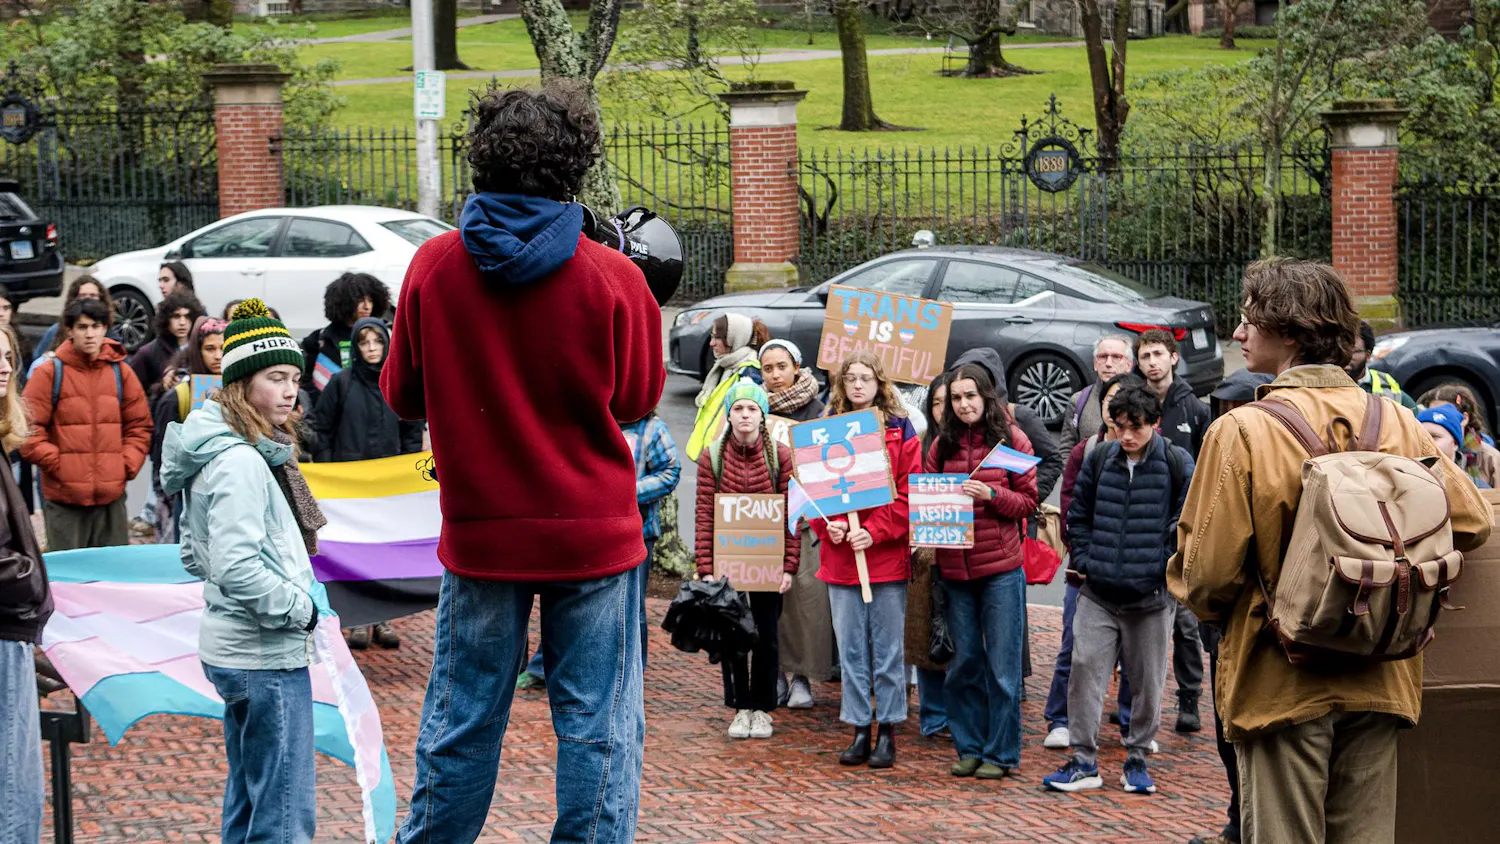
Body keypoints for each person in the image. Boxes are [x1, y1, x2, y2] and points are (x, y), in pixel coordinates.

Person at [381, 83, 664, 843]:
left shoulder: (433, 268)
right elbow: (637, 397)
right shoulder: (618, 278)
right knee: (597, 725)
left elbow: (403, 394)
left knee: (462, 720)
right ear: (575, 167)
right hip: (594, 534)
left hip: (482, 536)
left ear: (480, 161)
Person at [1169, 259, 1490, 844]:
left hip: (1279, 676)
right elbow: (1470, 521)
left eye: (1248, 321)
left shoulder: (1242, 430)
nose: (1238, 335)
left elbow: (1207, 578)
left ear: (1289, 333)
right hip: (1383, 670)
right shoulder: (1397, 420)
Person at [160, 299, 325, 844]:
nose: (289, 390)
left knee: (252, 798)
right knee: (282, 812)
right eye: (275, 376)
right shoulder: (240, 461)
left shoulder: (224, 451)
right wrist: (300, 609)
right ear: (240, 383)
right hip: (263, 654)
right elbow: (234, 565)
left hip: (240, 650)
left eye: (294, 378)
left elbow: (194, 552)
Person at [1045, 384, 1194, 796]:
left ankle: (1137, 757)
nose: (1127, 436)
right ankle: (1082, 760)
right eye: (1120, 427)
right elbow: (1078, 514)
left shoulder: (1178, 463)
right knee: (1084, 673)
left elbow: (1186, 523)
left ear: (1155, 425)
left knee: (1147, 683)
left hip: (1150, 598)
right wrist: (1089, 560)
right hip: (1099, 592)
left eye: (1137, 428)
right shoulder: (1099, 458)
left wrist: (1159, 567)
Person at [517, 407, 681, 691]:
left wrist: (625, 491)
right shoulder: (590, 423)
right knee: (564, 600)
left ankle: (630, 673)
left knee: (631, 607)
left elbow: (670, 472)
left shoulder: (653, 430)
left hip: (637, 533)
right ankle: (543, 668)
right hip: (585, 532)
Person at [810, 350, 920, 769]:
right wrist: (830, 528)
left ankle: (888, 728)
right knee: (852, 650)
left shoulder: (900, 430)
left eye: (865, 378)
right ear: (841, 384)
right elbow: (816, 493)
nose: (857, 385)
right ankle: (858, 726)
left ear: (879, 383)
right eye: (850, 378)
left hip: (885, 558)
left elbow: (909, 495)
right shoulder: (825, 430)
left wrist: (873, 531)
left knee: (888, 650)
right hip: (841, 561)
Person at [927, 363, 1038, 779]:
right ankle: (970, 746)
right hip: (955, 572)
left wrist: (992, 494)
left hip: (1001, 571)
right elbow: (928, 499)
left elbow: (1029, 503)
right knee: (964, 664)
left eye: (970, 395)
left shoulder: (1011, 439)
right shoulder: (942, 446)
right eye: (956, 398)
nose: (963, 404)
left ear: (986, 397)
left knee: (1003, 668)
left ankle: (1001, 753)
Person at [1186, 367, 1271, 844]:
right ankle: (1238, 823)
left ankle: (1248, 827)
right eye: (1222, 408)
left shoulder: (1259, 453)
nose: (1227, 416)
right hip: (1222, 628)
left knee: (1249, 738)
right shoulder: (1213, 455)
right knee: (1225, 736)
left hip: (1252, 622)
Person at [306, 317, 425, 650]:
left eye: (377, 342)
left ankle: (382, 620)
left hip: (388, 491)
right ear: (356, 347)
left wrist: (406, 468)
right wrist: (330, 469)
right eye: (364, 343)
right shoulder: (341, 383)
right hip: (349, 491)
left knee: (385, 555)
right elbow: (321, 428)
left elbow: (412, 429)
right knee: (353, 554)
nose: (372, 349)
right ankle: (358, 622)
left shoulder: (396, 383)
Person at [1044, 371, 1144, 752]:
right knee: (1075, 646)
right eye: (1109, 402)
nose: (1116, 413)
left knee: (1136, 657)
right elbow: (1072, 504)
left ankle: (1130, 723)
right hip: (1085, 572)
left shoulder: (1162, 456)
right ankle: (1060, 717)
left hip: (1136, 577)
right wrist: (1082, 553)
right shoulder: (1086, 451)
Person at [694, 378, 798, 739]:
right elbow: (705, 512)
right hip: (729, 563)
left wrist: (789, 566)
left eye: (752, 408)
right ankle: (740, 707)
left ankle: (763, 709)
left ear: (763, 414)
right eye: (737, 408)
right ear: (728, 414)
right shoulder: (713, 456)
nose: (744, 415)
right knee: (734, 635)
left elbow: (791, 517)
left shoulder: (780, 456)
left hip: (768, 563)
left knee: (767, 636)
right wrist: (705, 567)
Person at [21, 298, 152, 551]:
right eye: (82, 327)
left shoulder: (121, 373)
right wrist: (59, 464)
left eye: (96, 326)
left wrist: (124, 465)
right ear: (69, 331)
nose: (90, 334)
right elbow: (27, 430)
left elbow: (140, 426)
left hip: (110, 501)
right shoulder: (49, 373)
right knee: (68, 582)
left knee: (112, 578)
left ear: (105, 328)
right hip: (65, 502)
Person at [1133, 328, 1212, 733]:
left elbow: (1208, 467)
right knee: (1135, 620)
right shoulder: (1135, 402)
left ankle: (1189, 699)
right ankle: (1134, 700)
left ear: (1174, 358)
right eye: (1145, 355)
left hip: (1181, 531)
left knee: (1184, 622)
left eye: (1158, 354)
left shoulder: (1195, 409)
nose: (1152, 362)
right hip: (1140, 526)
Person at [760, 338, 830, 709]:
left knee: (805, 602)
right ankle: (773, 673)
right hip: (764, 520)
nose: (775, 375)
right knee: (769, 602)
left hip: (805, 521)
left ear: (797, 368)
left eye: (782, 367)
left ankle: (802, 676)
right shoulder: (750, 410)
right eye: (768, 369)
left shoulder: (819, 413)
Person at [0, 324, 49, 844]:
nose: (6, 365)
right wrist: (33, 583)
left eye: (9, 354)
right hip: (4, 627)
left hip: (10, 627)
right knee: (14, 785)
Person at [148, 317, 227, 544]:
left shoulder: (244, 392)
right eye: (209, 349)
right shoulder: (178, 396)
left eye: (224, 348)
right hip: (185, 498)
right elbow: (161, 457)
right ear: (196, 350)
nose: (218, 356)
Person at [908, 370, 953, 739]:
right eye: (935, 401)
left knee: (962, 636)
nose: (941, 409)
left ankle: (960, 710)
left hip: (964, 554)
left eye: (947, 401)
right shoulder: (918, 443)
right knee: (925, 636)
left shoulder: (974, 442)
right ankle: (933, 714)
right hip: (924, 554)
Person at [686, 313, 769, 461]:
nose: (711, 343)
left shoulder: (748, 372)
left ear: (733, 339)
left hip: (728, 460)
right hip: (714, 456)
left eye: (717, 337)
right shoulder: (727, 365)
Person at [302, 272, 391, 401]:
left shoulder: (383, 335)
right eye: (360, 300)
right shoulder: (319, 339)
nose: (367, 306)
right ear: (345, 302)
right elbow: (305, 380)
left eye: (370, 300)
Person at [1058, 335, 1136, 459]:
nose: (1108, 364)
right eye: (1103, 357)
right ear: (1095, 364)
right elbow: (1066, 450)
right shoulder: (1079, 400)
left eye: (1116, 357)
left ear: (1129, 365)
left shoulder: (1142, 400)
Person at [30, 277, 119, 377]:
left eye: (93, 295)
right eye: (83, 295)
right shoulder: (55, 331)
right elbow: (35, 364)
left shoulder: (112, 337)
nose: (89, 334)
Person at [1417, 383, 1500, 488]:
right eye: (1433, 411)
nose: (1438, 416)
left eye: (1447, 411)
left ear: (1465, 418)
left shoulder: (1490, 457)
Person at [130, 290, 205, 403]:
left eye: (187, 316)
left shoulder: (202, 349)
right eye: (176, 316)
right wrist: (161, 387)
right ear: (166, 319)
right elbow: (133, 394)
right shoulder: (147, 353)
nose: (182, 322)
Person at [1347, 320, 1418, 410]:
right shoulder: (1326, 386)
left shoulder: (1388, 388)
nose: (1346, 357)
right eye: (1341, 351)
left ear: (1367, 355)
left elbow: (1413, 418)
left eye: (1354, 352)